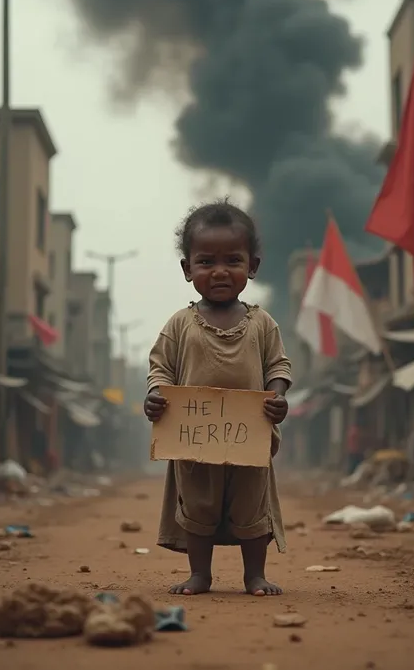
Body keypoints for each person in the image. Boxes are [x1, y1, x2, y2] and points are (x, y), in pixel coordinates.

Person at [144, 199, 292, 597]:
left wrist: (277, 399)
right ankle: (200, 575)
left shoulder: (262, 323)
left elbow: (278, 367)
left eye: (233, 260)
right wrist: (155, 398)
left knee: (251, 506)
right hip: (194, 444)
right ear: (187, 269)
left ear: (253, 267)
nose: (220, 271)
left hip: (250, 441)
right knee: (198, 506)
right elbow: (160, 369)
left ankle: (254, 576)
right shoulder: (180, 324)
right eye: (206, 261)